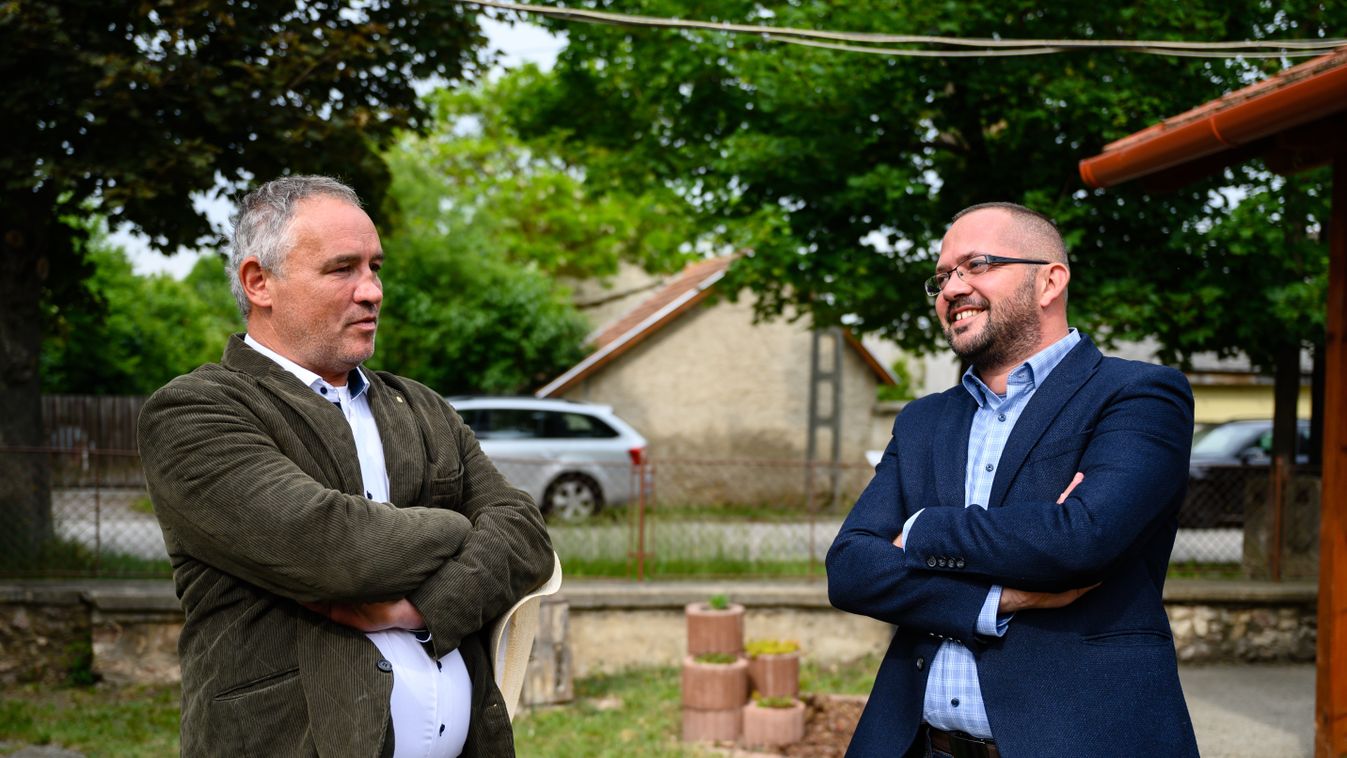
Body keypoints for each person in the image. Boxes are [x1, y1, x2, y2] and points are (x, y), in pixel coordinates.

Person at [138, 175, 554, 757]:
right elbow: (336, 549)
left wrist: (423, 609)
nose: (372, 291)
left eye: (374, 267)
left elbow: (526, 533)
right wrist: (462, 526)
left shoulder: (421, 406)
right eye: (342, 269)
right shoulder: (196, 411)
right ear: (259, 282)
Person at [827, 202, 1199, 757]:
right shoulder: (923, 419)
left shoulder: (1138, 395)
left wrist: (922, 530)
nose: (952, 288)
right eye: (942, 277)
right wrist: (998, 600)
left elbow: (1081, 540)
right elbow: (850, 569)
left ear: (1050, 280)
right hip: (918, 745)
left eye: (977, 264)